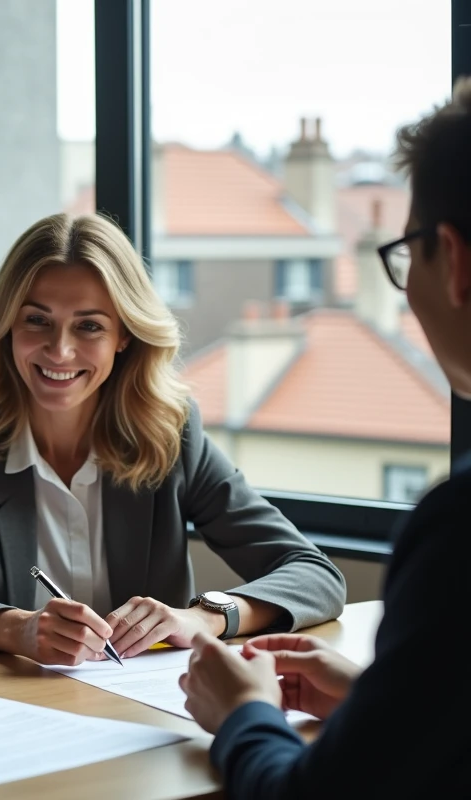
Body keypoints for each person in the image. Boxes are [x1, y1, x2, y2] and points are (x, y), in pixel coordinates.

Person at [0, 212, 346, 667]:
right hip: (11, 700)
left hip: (138, 703)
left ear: (123, 335)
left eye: (89, 326)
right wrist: (17, 628)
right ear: (8, 327)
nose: (60, 350)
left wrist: (205, 618)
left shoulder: (171, 438)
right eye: (37, 320)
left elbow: (314, 575)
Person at [179, 78, 471, 797]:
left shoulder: (459, 530)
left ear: (455, 262)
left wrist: (243, 713)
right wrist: (381, 701)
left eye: (408, 252)